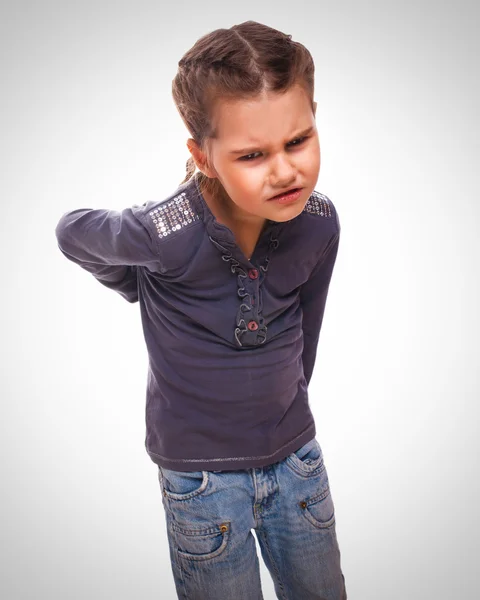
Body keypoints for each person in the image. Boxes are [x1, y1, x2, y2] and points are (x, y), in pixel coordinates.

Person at [55, 20, 347, 600]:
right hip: (202, 478)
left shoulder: (318, 223)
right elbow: (72, 232)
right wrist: (137, 282)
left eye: (298, 141)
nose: (285, 171)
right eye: (252, 154)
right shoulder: (163, 232)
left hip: (297, 462)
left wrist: (289, 409)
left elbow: (307, 336)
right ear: (204, 157)